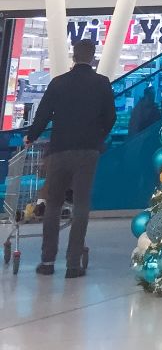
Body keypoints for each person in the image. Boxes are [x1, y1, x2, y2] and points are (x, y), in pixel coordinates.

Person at [25, 37, 116, 277]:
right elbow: (110, 117)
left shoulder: (58, 83)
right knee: (81, 205)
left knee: (53, 204)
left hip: (60, 150)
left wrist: (31, 137)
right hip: (87, 151)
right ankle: (73, 264)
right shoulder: (102, 83)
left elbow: (43, 115)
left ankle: (47, 261)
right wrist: (97, 137)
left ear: (73, 57)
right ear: (93, 58)